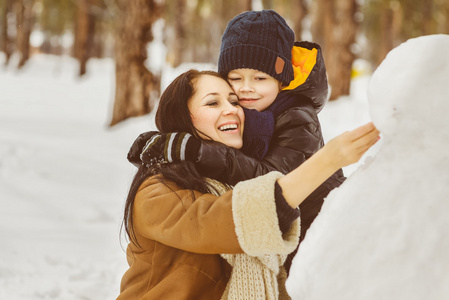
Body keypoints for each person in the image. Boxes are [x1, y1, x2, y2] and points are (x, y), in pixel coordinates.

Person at [119, 69, 380, 299]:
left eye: (233, 101)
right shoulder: (157, 192)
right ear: (181, 119)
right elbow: (231, 219)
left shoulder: (235, 179)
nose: (231, 109)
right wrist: (326, 161)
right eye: (212, 103)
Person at [136, 10, 345, 272]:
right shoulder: (244, 114)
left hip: (319, 236)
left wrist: (196, 151)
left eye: (260, 78)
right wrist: (168, 144)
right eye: (235, 79)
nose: (246, 88)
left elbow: (272, 185)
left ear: (281, 81)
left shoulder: (297, 117)